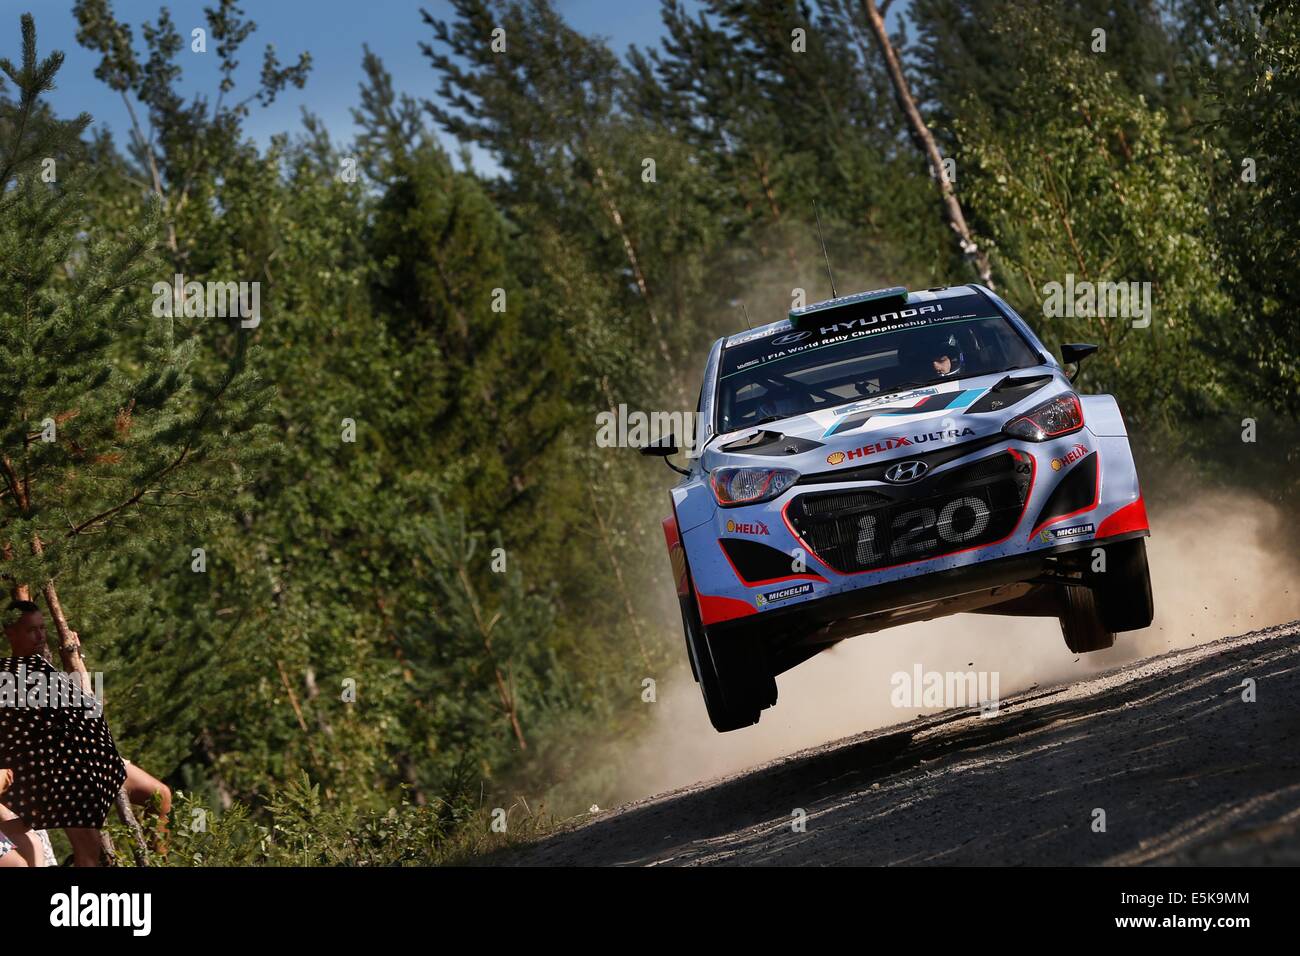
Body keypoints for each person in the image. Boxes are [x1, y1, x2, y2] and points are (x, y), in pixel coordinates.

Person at [0, 599, 175, 864]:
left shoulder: (45, 666)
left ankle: (161, 863)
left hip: (94, 759)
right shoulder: (6, 676)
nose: (39, 636)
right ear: (9, 633)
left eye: (42, 629)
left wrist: (75, 657)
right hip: (62, 776)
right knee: (90, 856)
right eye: (31, 630)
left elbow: (91, 707)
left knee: (160, 796)